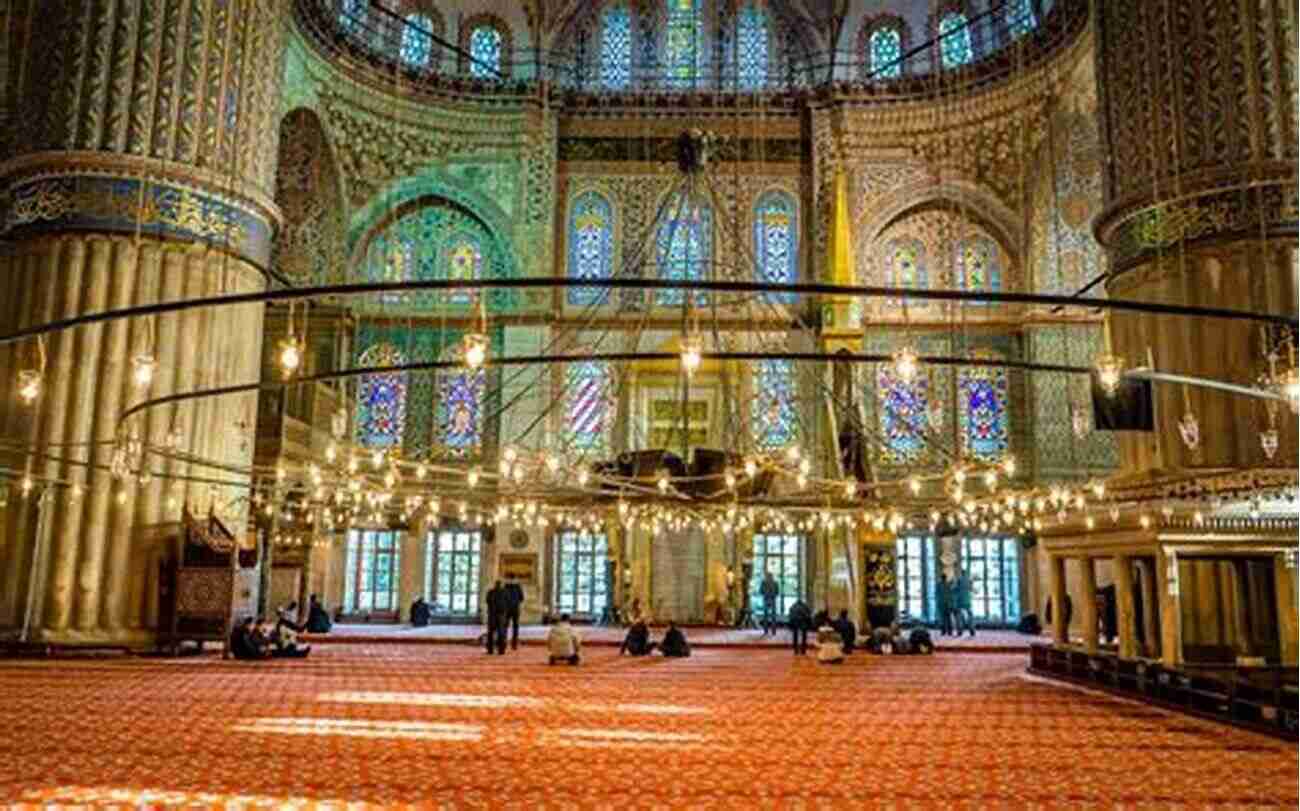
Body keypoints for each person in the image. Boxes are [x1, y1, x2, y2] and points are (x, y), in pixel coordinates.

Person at [484, 580, 509, 655]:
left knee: (491, 632)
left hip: (492, 614)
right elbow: (507, 603)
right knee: (501, 633)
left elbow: (487, 601)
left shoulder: (491, 592)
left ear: (495, 585)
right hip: (501, 615)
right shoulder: (505, 593)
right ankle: (501, 650)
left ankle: (490, 650)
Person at [504, 575, 525, 650]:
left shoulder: (505, 587)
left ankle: (505, 642)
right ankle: (514, 644)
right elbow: (522, 598)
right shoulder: (517, 587)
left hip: (508, 609)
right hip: (514, 609)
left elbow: (521, 598)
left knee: (505, 626)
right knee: (514, 627)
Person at [954, 569, 975, 637]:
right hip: (967, 600)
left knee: (959, 616)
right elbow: (971, 589)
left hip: (960, 600)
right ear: (966, 573)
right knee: (970, 615)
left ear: (961, 573)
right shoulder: (969, 580)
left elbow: (955, 589)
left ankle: (960, 630)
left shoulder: (959, 580)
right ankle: (971, 629)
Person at [759, 572, 779, 636]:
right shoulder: (774, 583)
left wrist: (766, 594)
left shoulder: (765, 582)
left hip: (768, 599)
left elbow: (761, 591)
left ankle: (767, 631)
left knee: (768, 616)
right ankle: (772, 631)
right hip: (771, 599)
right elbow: (777, 592)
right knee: (770, 616)